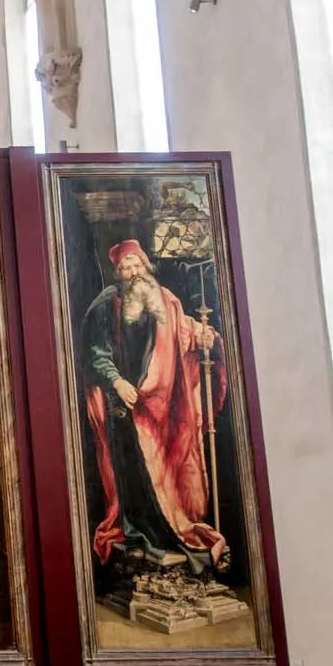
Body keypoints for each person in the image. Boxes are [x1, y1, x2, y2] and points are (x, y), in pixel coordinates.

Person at [81, 240, 227, 572]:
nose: (133, 274)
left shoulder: (166, 300)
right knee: (137, 476)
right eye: (125, 269)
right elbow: (95, 354)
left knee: (168, 474)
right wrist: (116, 380)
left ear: (146, 267)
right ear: (117, 275)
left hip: (162, 407)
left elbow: (183, 332)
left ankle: (171, 534)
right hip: (125, 404)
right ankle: (143, 537)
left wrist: (205, 336)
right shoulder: (106, 306)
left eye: (136, 266)